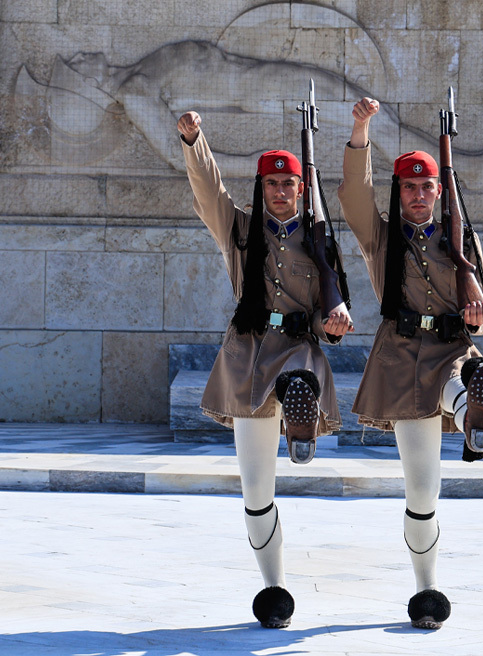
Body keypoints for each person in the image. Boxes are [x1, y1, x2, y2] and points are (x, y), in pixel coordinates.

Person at [177, 110, 355, 629]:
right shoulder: (240, 229)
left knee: (298, 379)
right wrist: (194, 141)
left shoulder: (320, 241)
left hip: (298, 349)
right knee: (256, 490)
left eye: (288, 184)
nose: (280, 191)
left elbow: (327, 314)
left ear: (302, 189)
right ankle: (274, 588)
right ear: (261, 188)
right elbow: (208, 191)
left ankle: (300, 418)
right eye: (272, 184)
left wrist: (334, 323)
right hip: (250, 355)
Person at [337, 97, 483, 630]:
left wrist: (479, 317)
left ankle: (475, 413)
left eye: (426, 186)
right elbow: (354, 195)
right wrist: (360, 130)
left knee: (467, 381)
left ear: (439, 191)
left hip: (454, 352)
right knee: (421, 490)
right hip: (403, 358)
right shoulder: (381, 238)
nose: (417, 194)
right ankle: (426, 590)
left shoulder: (462, 239)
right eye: (409, 187)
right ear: (400, 191)